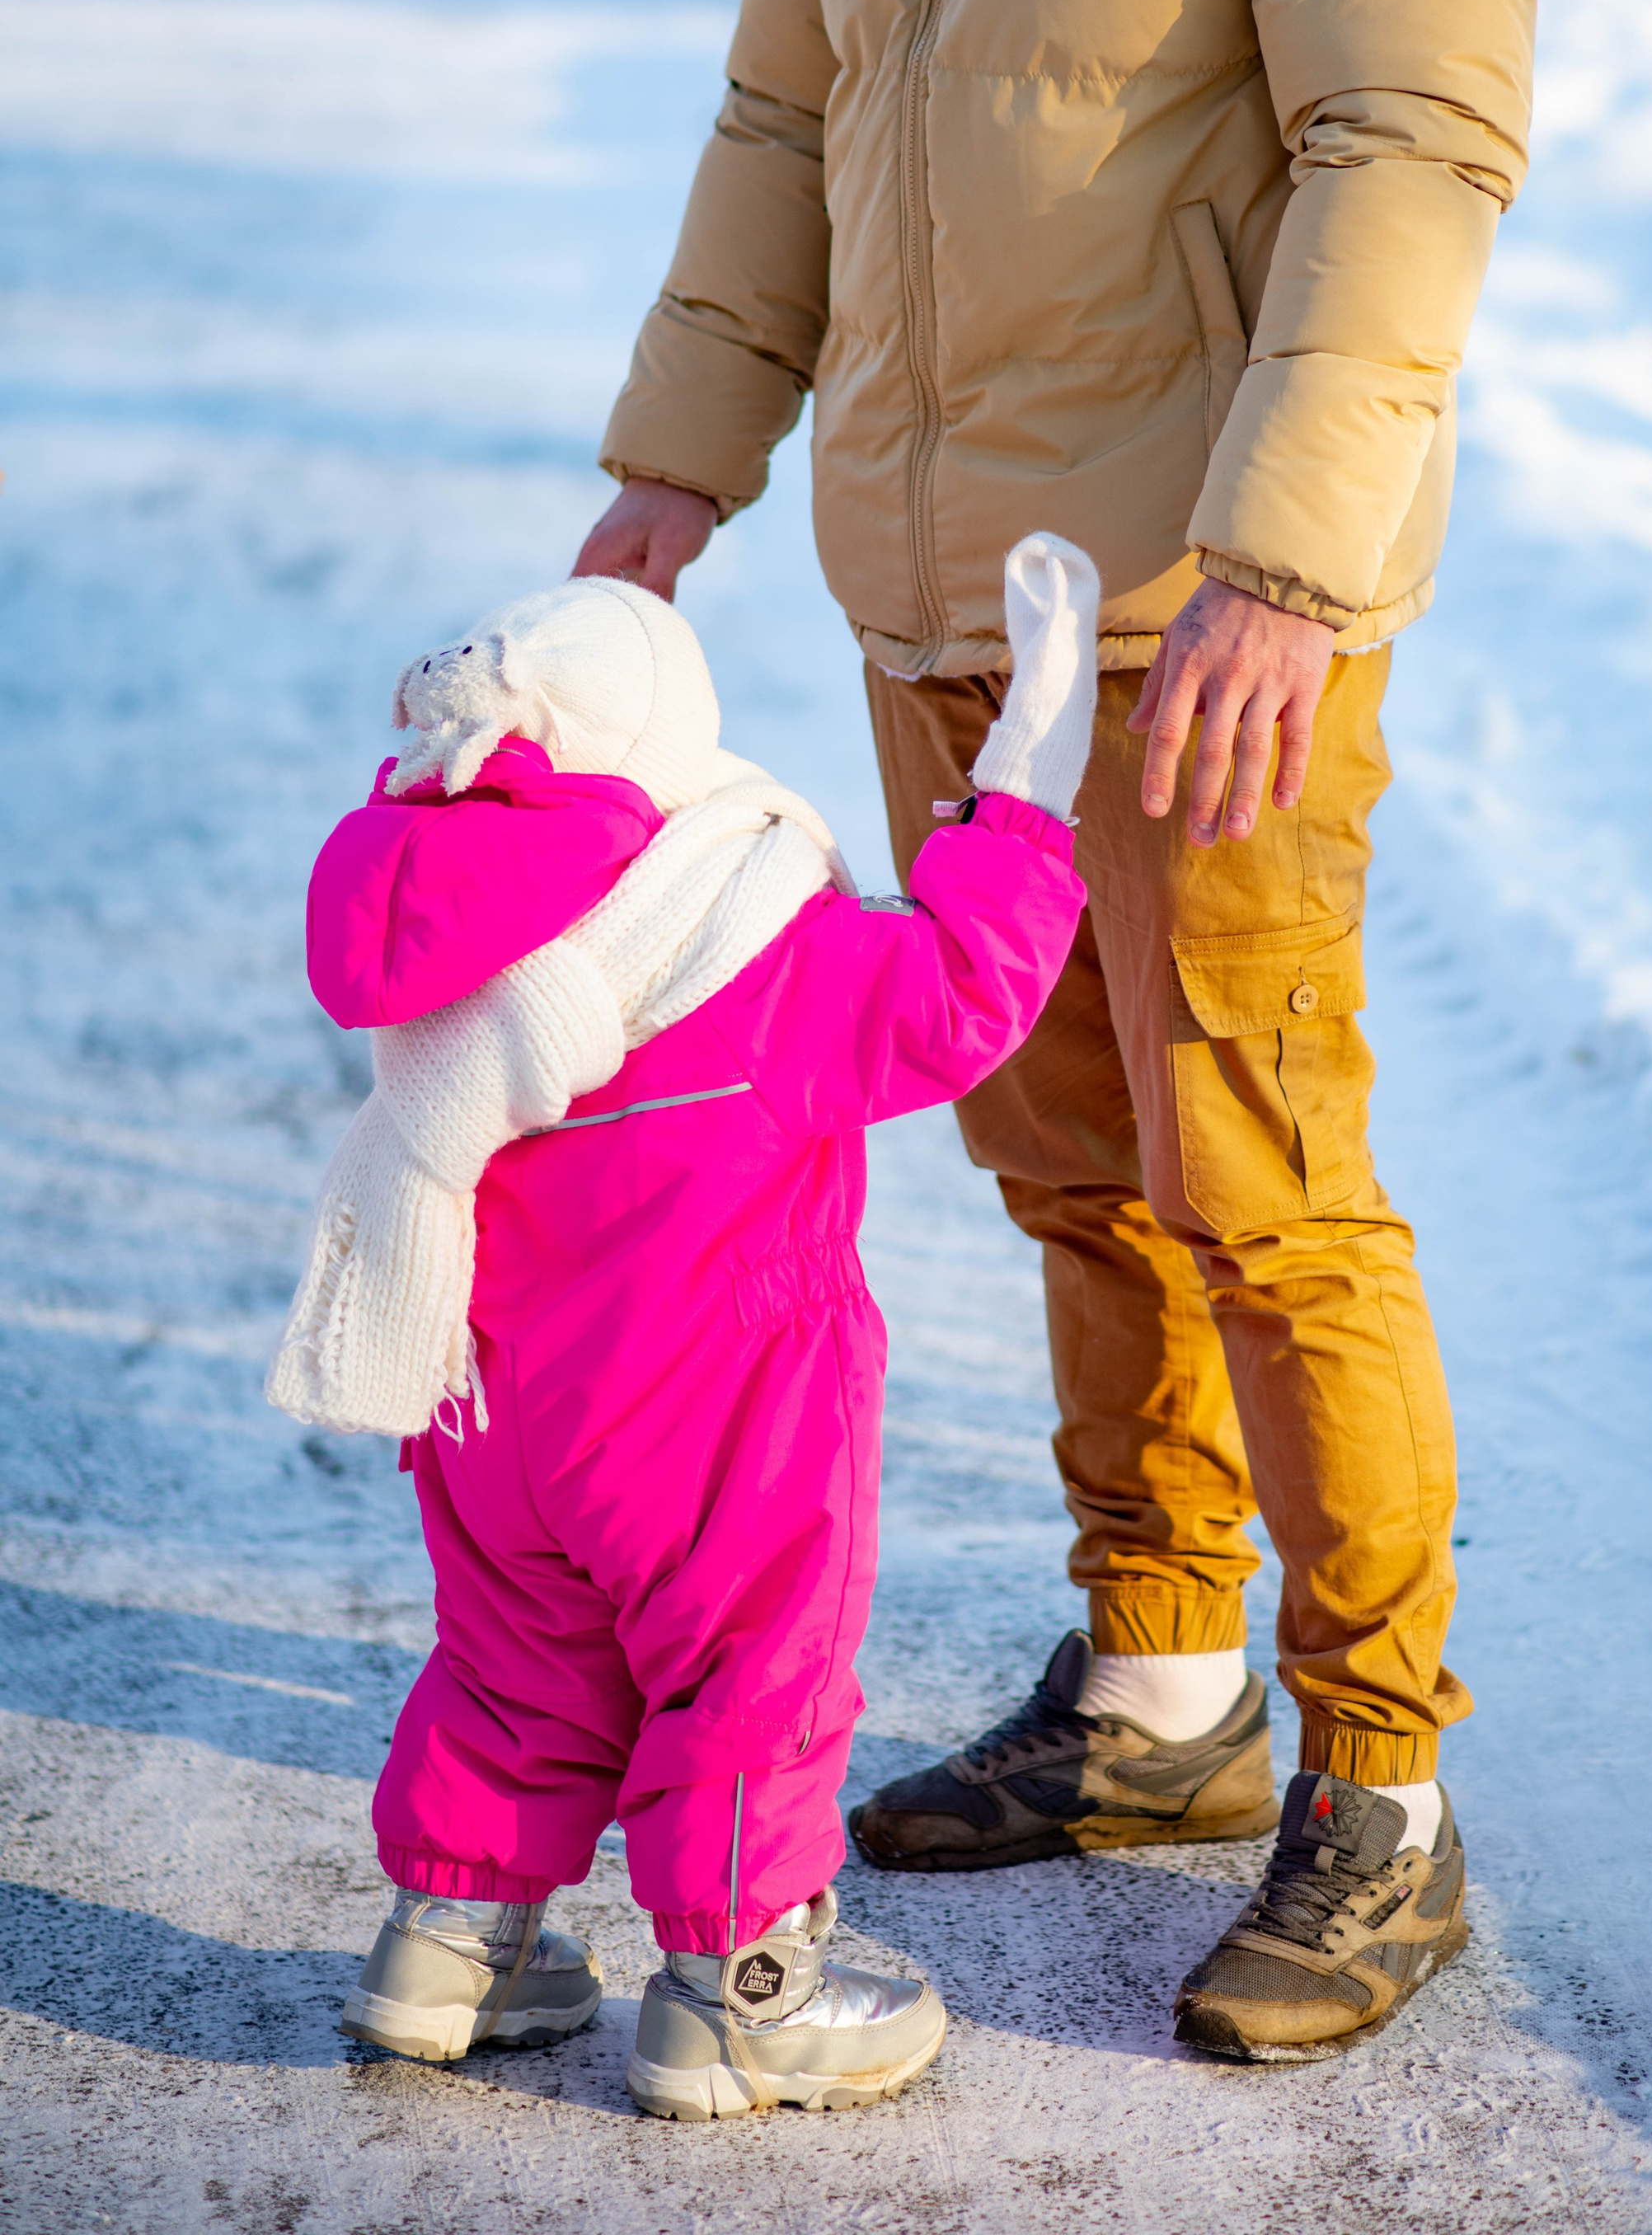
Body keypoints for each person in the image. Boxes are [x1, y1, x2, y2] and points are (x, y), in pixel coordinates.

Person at [577, 0, 1537, 2064]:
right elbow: (789, 121)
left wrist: (1279, 562)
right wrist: (676, 472)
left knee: (1264, 1181)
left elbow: (1414, 138)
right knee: (1062, 1158)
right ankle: (1158, 1694)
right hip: (939, 586)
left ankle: (1383, 1792)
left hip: (1202, 601)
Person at [268, 538, 1097, 2115]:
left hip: (494, 1414)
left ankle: (451, 1947)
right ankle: (745, 1993)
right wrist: (1023, 802)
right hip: (725, 1413)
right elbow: (956, 990)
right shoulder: (746, 940)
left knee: (513, 1675)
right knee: (747, 1674)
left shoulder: (455, 942)